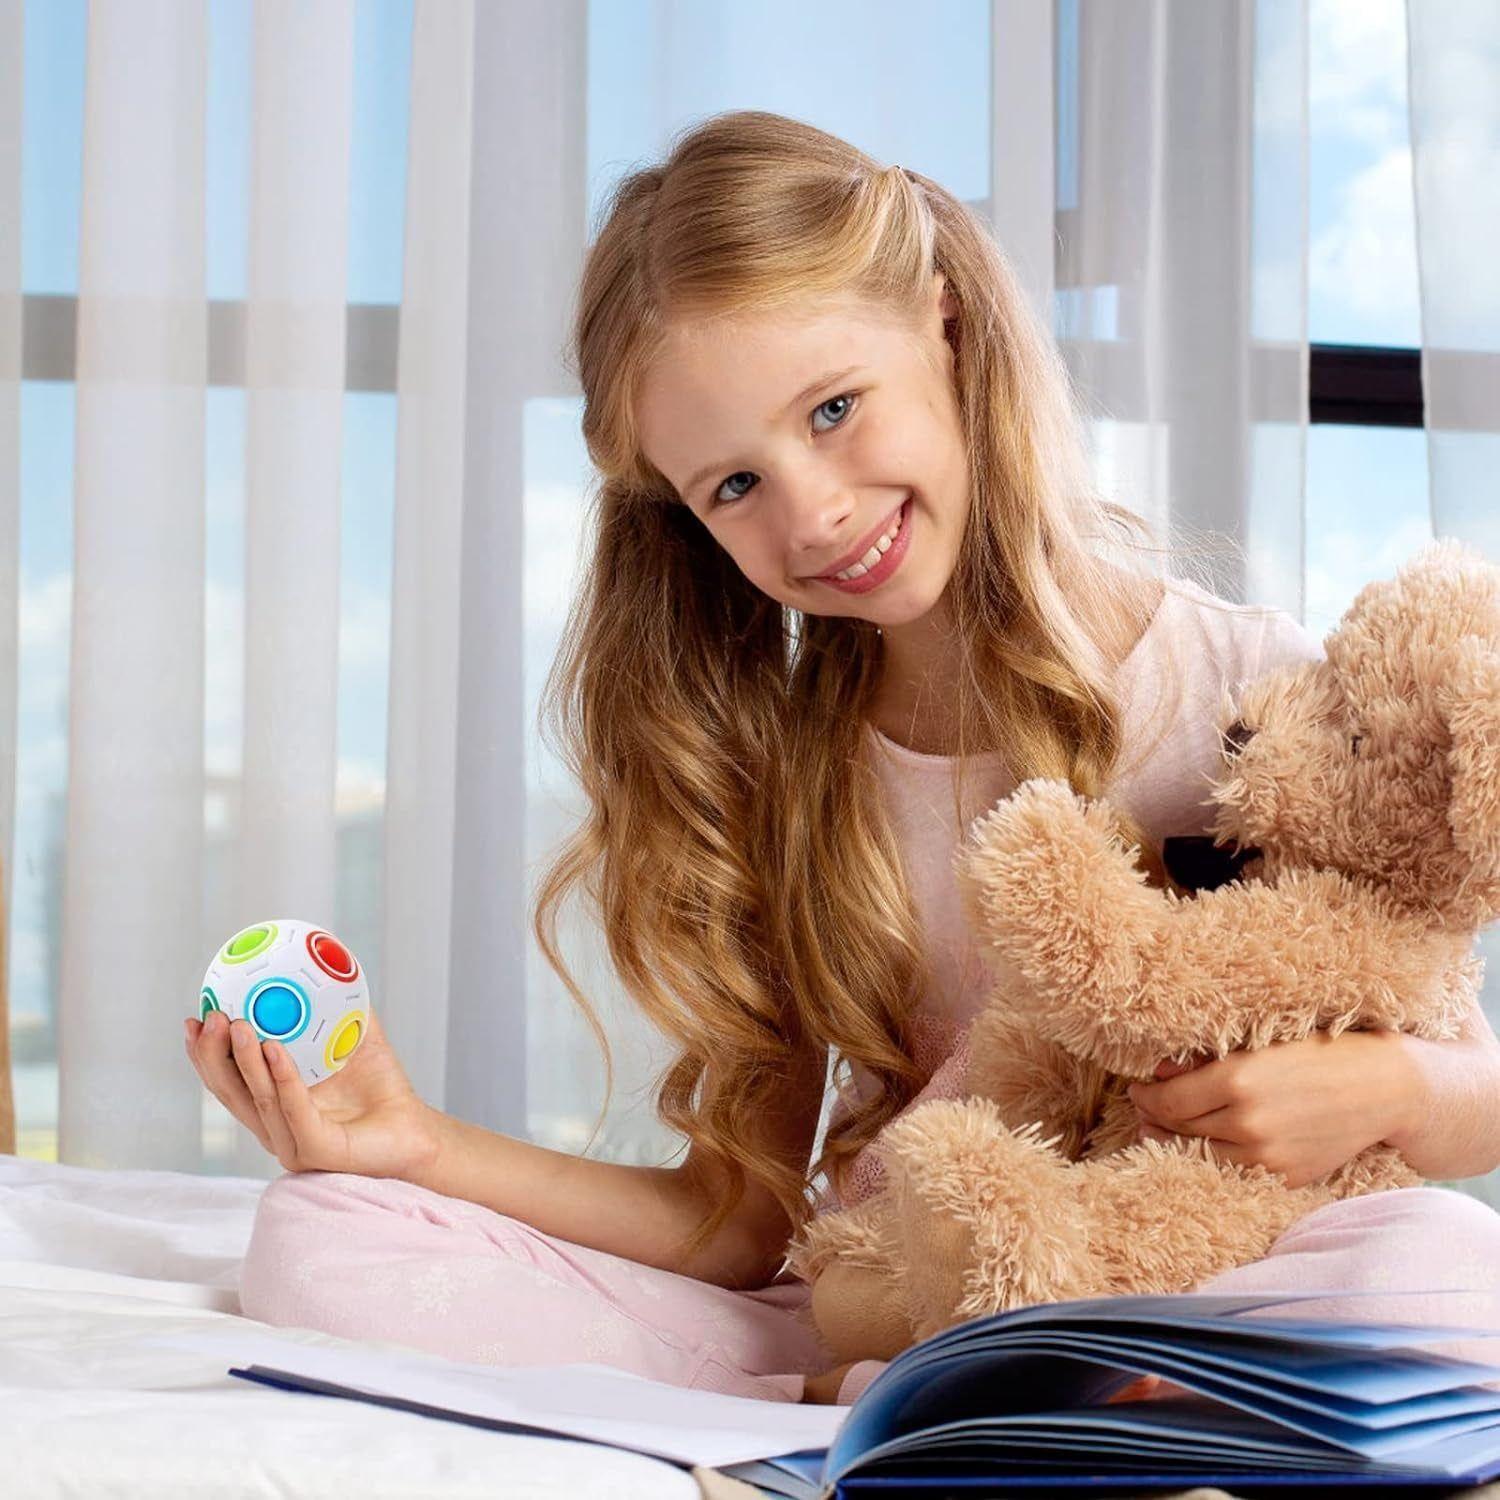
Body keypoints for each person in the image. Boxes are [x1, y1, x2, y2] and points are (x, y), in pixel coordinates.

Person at [185, 110, 1500, 1409]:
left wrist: (1391, 1086)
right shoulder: (771, 766)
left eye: (832, 408)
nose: (812, 509)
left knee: (1441, 1266)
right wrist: (413, 1147)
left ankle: (1007, 1383)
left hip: (1199, 1263)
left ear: (943, 321)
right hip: (907, 1276)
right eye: (733, 487)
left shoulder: (1244, 687)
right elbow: (741, 1226)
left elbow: (1473, 1084)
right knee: (324, 1241)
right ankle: (949, 1386)